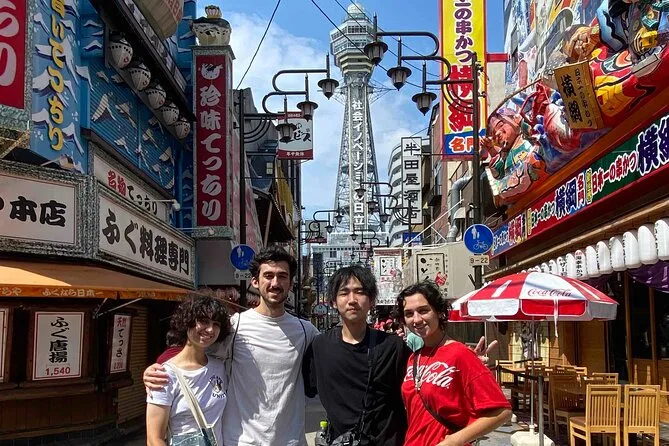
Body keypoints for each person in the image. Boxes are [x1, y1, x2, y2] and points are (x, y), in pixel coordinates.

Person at [144, 246, 320, 446]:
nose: (275, 283)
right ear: (255, 281)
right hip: (241, 441)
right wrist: (158, 369)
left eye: (282, 276)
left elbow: (337, 353)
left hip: (290, 441)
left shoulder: (305, 330)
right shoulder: (235, 326)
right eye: (268, 276)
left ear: (290, 284)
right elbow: (190, 354)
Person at [304, 266, 410, 446]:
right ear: (333, 302)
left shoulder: (393, 347)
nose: (352, 300)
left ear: (371, 300)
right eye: (344, 293)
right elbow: (305, 388)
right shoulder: (319, 347)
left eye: (359, 292)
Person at [397, 281, 512, 446]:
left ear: (439, 312)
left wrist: (454, 440)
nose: (416, 319)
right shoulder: (414, 358)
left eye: (423, 311)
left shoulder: (461, 354)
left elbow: (502, 412)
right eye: (409, 314)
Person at [146, 295, 231, 446]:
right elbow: (154, 439)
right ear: (187, 322)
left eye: (216, 324)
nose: (210, 329)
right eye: (203, 321)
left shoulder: (219, 367)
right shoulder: (164, 375)